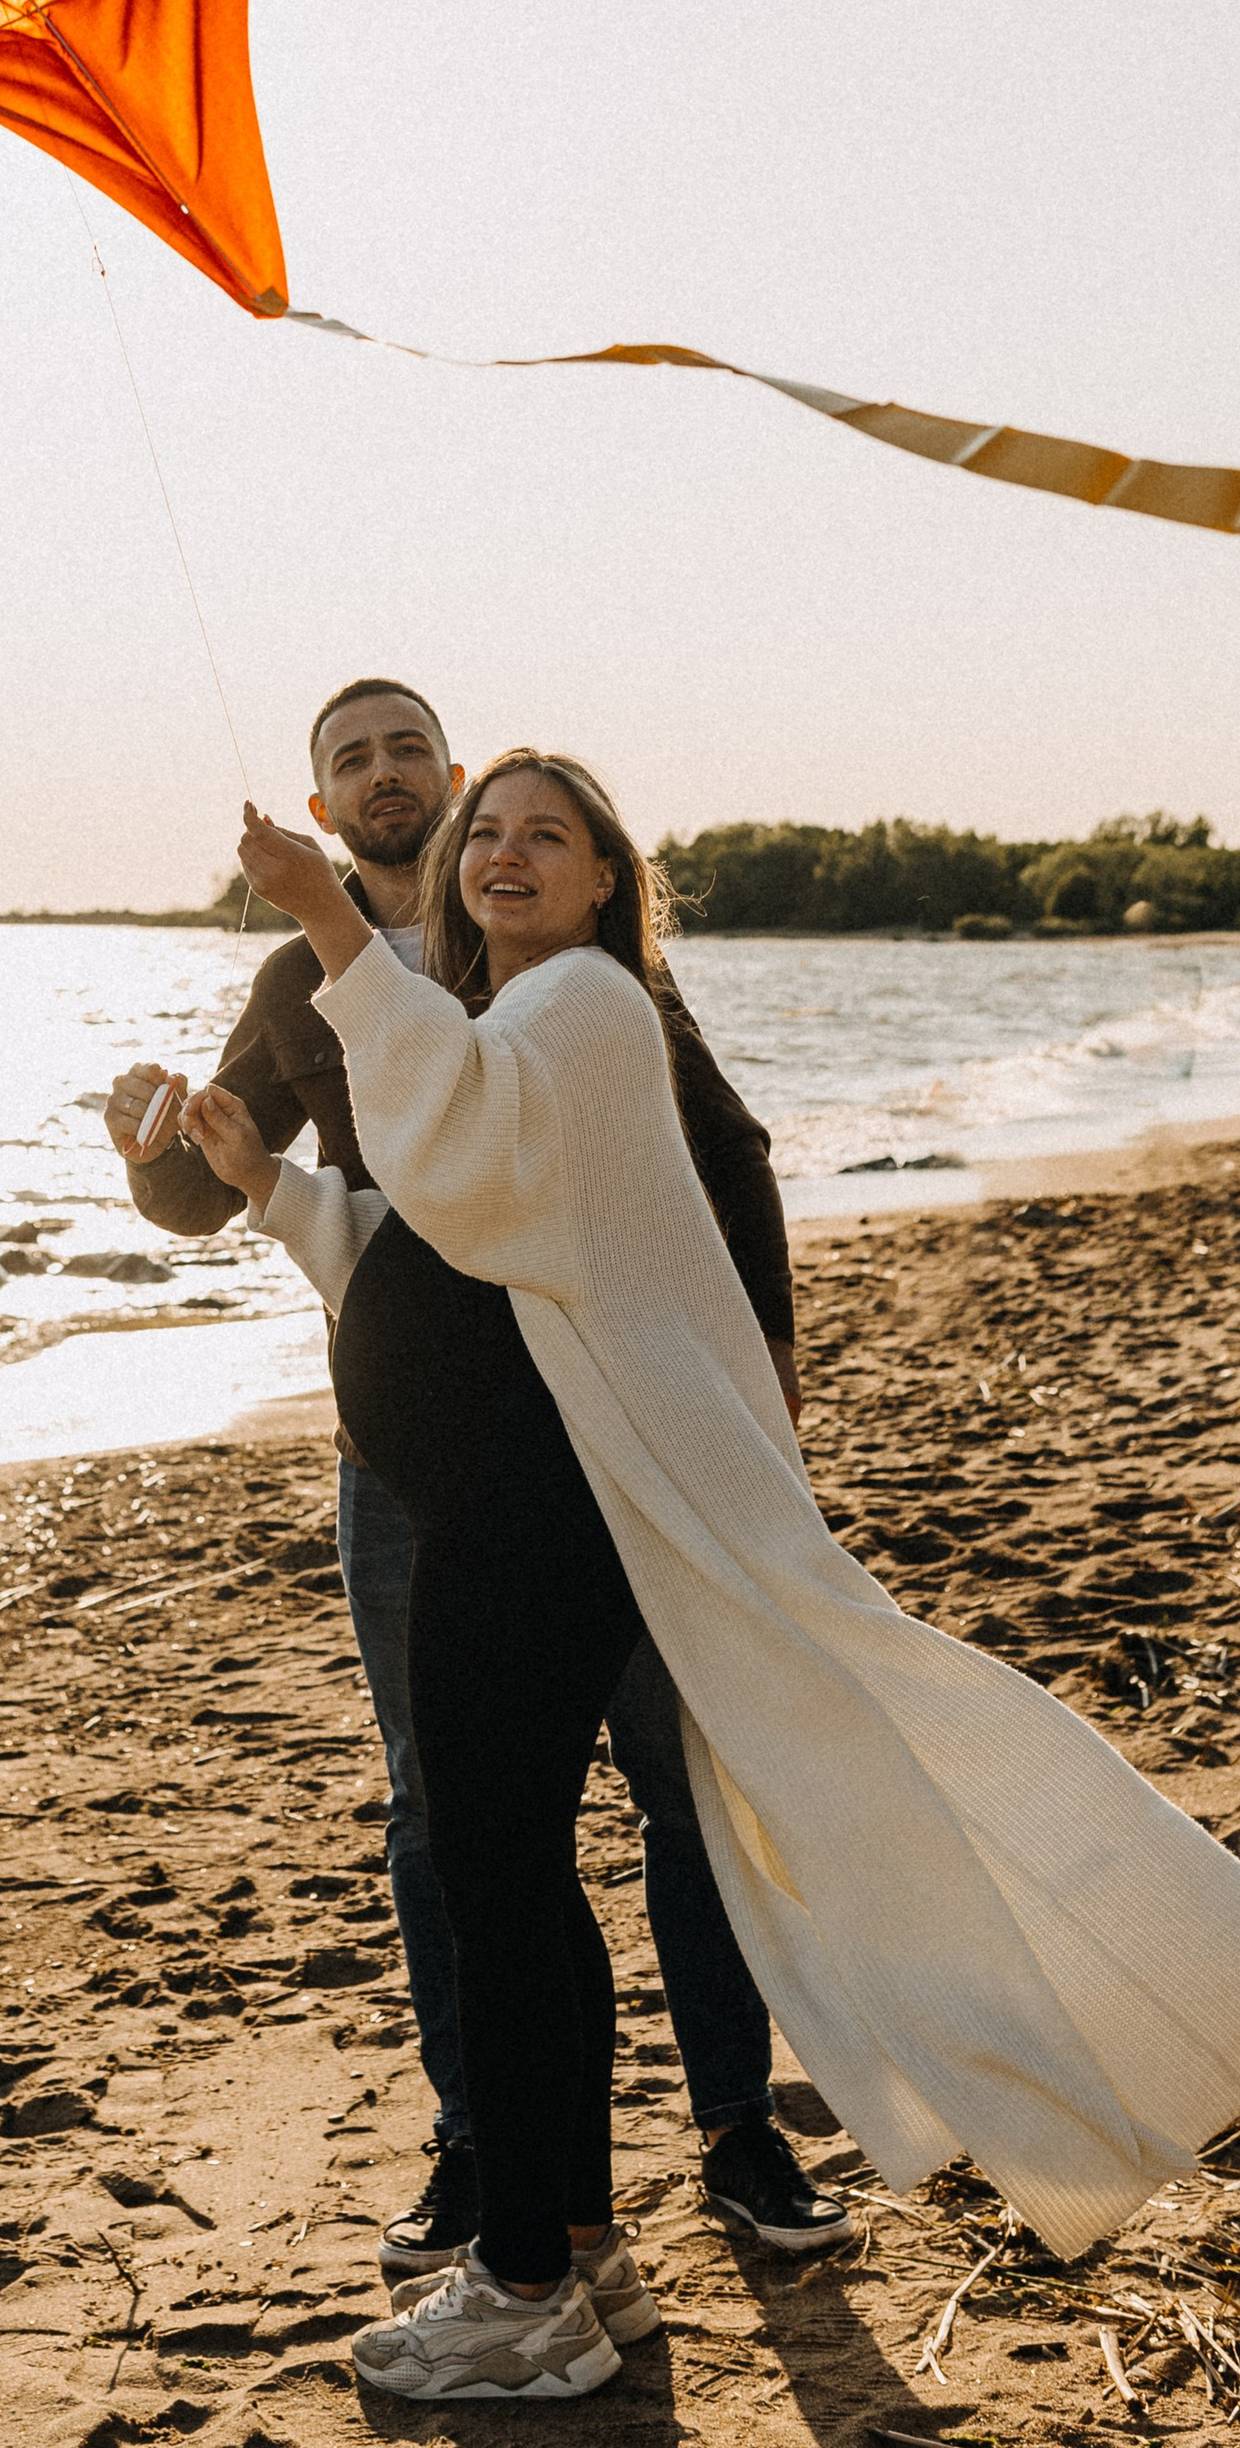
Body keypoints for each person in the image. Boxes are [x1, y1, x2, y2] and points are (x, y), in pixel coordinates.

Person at [191, 751, 1240, 2407]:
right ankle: (570, 2243)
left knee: (500, 1883)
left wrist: (326, 928)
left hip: (540, 1513)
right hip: (508, 1499)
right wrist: (271, 1189)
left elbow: (462, 1161)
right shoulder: (518, 1029)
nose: (506, 855)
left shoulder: (585, 1008)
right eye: (488, 838)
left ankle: (527, 2286)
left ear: (609, 883)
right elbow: (457, 1249)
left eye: (549, 836)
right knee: (508, 1876)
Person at [108, 679, 850, 2274]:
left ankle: (735, 2130)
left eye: (406, 753)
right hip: (409, 1458)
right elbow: (218, 1193)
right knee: (453, 1822)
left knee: (673, 1782)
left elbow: (722, 1165)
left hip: (591, 1441)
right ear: (321, 806)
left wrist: (766, 1384)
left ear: (448, 779)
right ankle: (486, 2153)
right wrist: (157, 1148)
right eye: (348, 761)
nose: (385, 779)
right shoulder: (306, 979)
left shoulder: (567, 979)